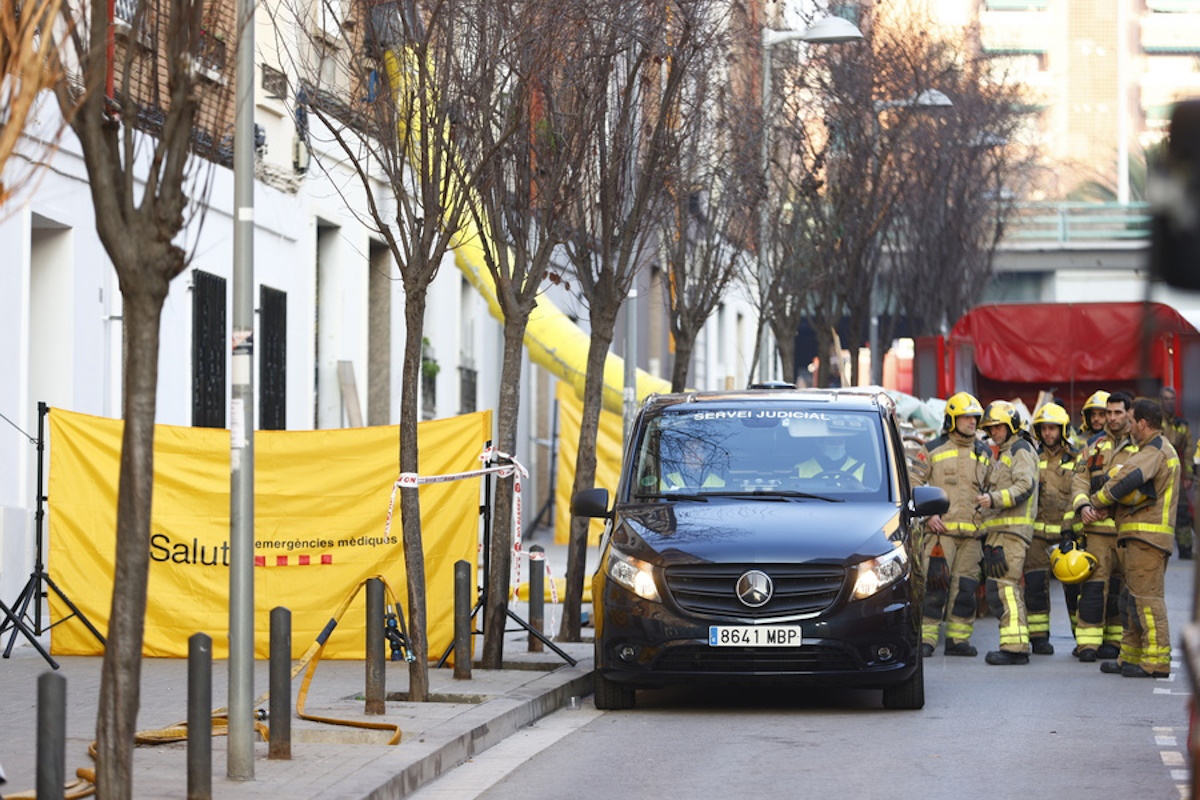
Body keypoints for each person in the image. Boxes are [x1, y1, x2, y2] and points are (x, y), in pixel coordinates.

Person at [1083, 398, 1180, 678]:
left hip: (1147, 539)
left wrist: (1098, 501)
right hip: (1137, 537)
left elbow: (1127, 479)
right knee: (1132, 600)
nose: (1128, 426)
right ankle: (1131, 657)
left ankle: (1157, 661)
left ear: (1142, 423)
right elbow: (1137, 494)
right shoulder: (1152, 449)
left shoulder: (1155, 450)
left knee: (1147, 601)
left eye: (1131, 420)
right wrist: (1110, 509)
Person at [909, 391, 992, 658]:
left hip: (972, 536)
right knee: (934, 589)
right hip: (939, 535)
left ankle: (958, 640)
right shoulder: (932, 449)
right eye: (966, 417)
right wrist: (927, 515)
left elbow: (992, 488)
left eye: (974, 418)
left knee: (966, 590)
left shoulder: (984, 452)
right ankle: (927, 640)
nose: (971, 422)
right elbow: (912, 483)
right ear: (952, 419)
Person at [1069, 390, 1134, 662]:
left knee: (1121, 588)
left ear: (1129, 413)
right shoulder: (1094, 445)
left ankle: (1115, 642)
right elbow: (1080, 480)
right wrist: (1083, 507)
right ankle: (1088, 644)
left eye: (1118, 412)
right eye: (1109, 412)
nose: (1112, 417)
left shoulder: (1140, 446)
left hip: (1125, 530)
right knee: (1094, 588)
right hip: (1095, 530)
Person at [976, 400, 1039, 665]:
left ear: (1012, 424)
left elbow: (1025, 485)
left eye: (998, 427)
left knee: (1006, 588)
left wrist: (995, 499)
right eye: (990, 429)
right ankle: (1014, 642)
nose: (994, 433)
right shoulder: (1005, 452)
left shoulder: (1020, 449)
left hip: (1013, 531)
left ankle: (1015, 647)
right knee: (1000, 588)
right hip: (1000, 531)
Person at [1028, 402, 1079, 655]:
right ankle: (1038, 638)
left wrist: (1070, 532)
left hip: (1066, 535)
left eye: (1053, 428)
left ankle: (1082, 639)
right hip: (1036, 536)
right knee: (1036, 586)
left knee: (1073, 588)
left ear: (1063, 430)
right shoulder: (1031, 458)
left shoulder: (1076, 460)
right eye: (1044, 428)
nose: (1048, 433)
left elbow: (1078, 495)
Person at [1159, 386, 1194, 559]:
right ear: (1161, 401)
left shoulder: (1182, 425)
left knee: (1181, 512)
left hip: (1177, 473)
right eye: (1166, 399)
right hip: (1158, 472)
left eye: (1172, 399)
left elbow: (1188, 450)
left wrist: (1188, 475)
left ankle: (1186, 548)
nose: (1169, 402)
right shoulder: (1156, 422)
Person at [661, 436, 726, 490]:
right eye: (688, 451)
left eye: (698, 451)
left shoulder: (720, 483)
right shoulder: (667, 480)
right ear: (683, 456)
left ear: (705, 455)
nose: (693, 455)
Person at [796, 433, 866, 482]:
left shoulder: (862, 468)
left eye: (840, 442)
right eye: (832, 443)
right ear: (820, 444)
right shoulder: (799, 469)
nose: (837, 446)